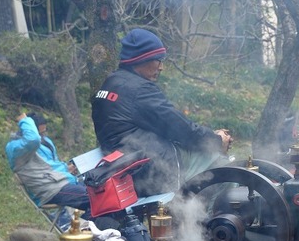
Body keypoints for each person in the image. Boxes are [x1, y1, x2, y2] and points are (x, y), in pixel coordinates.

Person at [92, 28, 232, 197]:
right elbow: (181, 129)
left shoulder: (111, 82)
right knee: (225, 167)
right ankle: (211, 219)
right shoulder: (140, 90)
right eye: (158, 60)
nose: (161, 67)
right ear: (141, 59)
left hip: (123, 166)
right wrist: (216, 140)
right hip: (149, 170)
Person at [6, 112, 93, 220]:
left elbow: (48, 167)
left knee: (102, 190)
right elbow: (33, 139)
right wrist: (25, 120)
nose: (42, 136)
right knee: (95, 199)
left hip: (61, 183)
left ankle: (91, 229)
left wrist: (66, 169)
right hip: (49, 190)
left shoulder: (45, 142)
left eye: (43, 132)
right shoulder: (16, 148)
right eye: (39, 133)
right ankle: (87, 232)